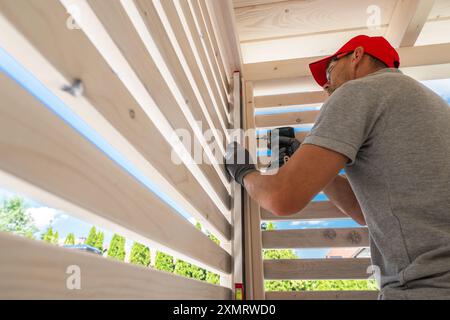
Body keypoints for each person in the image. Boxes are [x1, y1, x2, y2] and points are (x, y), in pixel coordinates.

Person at [225, 35, 450, 300]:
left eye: (330, 69)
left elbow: (281, 198)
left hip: (424, 289)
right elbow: (369, 212)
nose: (325, 84)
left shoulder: (360, 91)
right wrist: (315, 171)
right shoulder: (430, 105)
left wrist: (244, 172)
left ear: (357, 56)